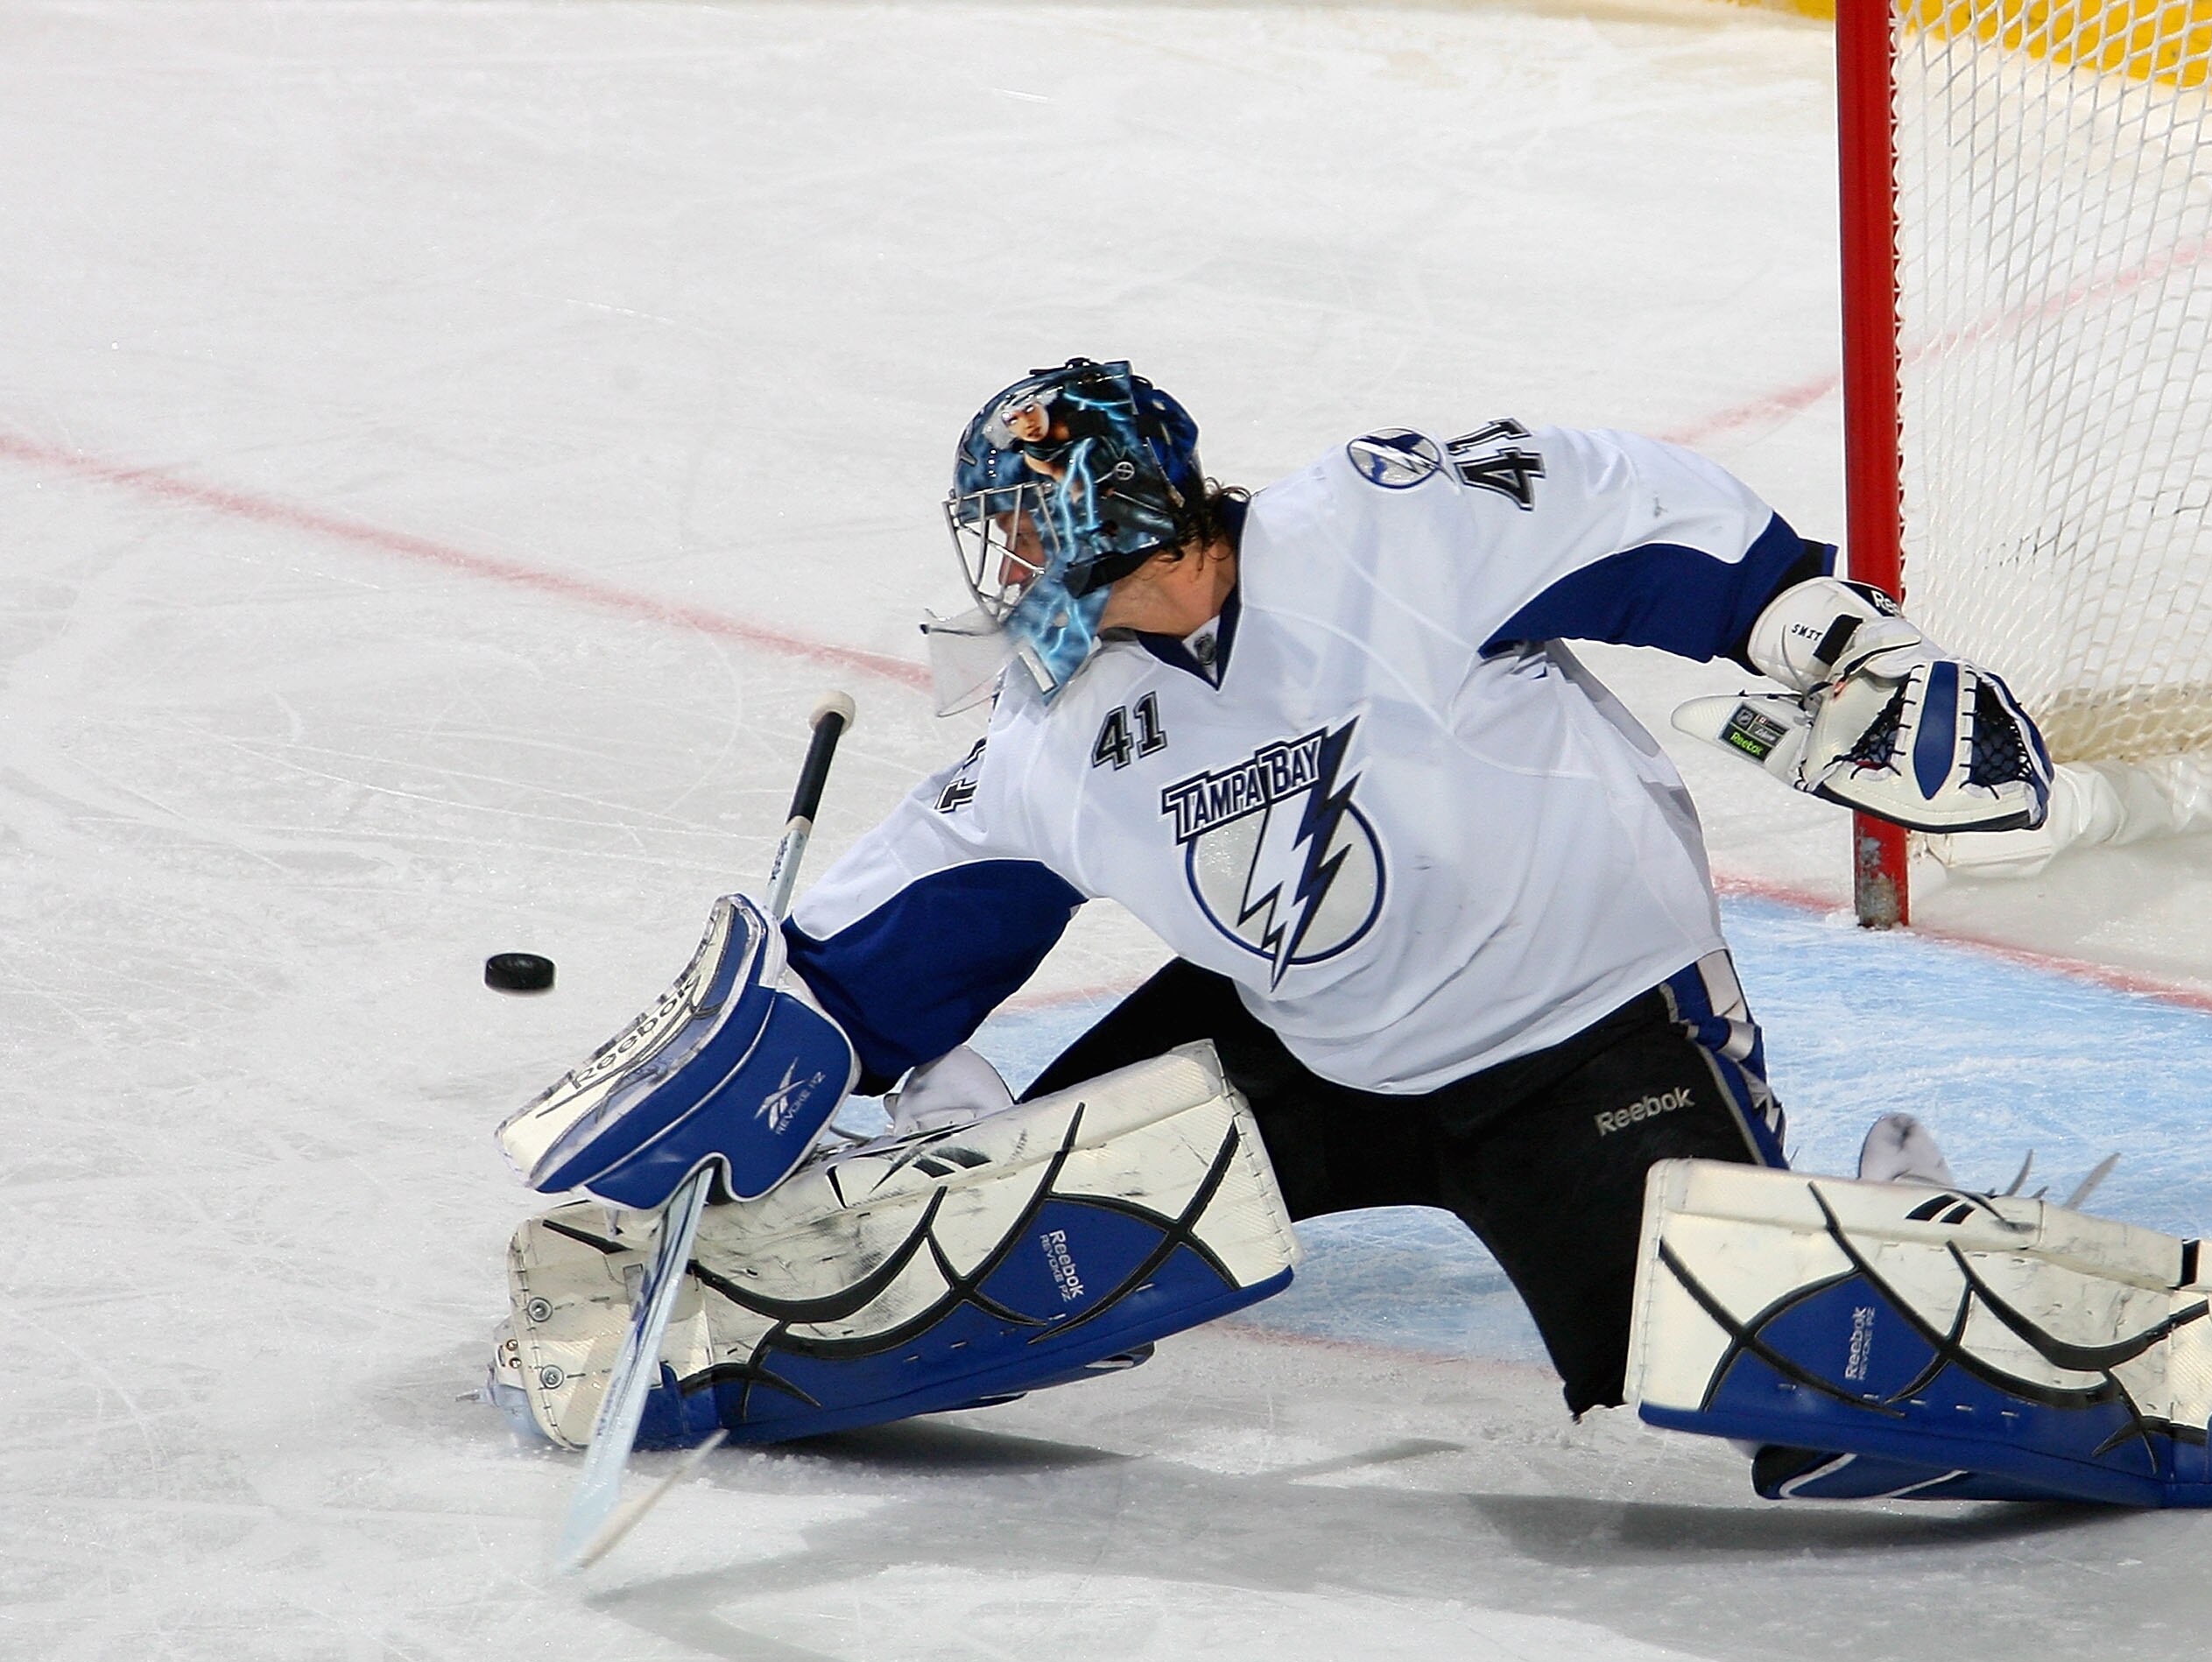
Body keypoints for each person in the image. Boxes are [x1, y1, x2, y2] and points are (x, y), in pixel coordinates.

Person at [771, 357, 2052, 1419]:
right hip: (1303, 1044)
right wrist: (776, 1049)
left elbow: (1623, 504)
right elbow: (918, 905)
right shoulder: (1057, 720)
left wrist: (1824, 633)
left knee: (1747, 1383)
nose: (1005, 562)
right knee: (994, 1256)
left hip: (1586, 1038)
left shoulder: (1381, 527)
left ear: (1113, 511)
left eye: (1022, 519)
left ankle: (1911, 1246)